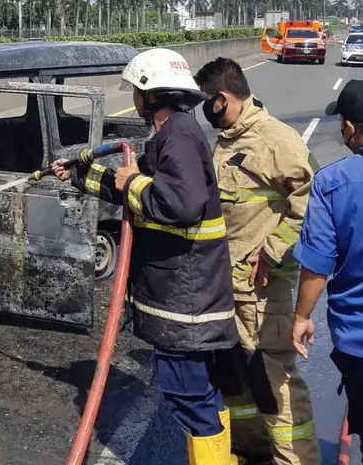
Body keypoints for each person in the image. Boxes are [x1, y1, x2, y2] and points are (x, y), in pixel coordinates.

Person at [53, 48, 238, 464]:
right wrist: (80, 174)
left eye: (137, 90)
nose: (134, 97)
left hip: (184, 299)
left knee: (190, 398)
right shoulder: (174, 132)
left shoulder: (179, 136)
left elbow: (179, 202)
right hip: (185, 292)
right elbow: (138, 188)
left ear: (152, 94)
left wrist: (134, 181)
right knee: (200, 393)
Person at [193, 57, 318, 465]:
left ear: (222, 98)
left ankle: (296, 460)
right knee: (239, 376)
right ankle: (253, 449)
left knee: (274, 380)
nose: (204, 111)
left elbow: (311, 206)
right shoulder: (231, 138)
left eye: (206, 101)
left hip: (263, 288)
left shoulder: (274, 141)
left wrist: (271, 251)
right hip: (231, 285)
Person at [292, 79, 363, 464]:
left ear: (350, 127)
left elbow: (317, 263)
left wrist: (302, 316)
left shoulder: (332, 182)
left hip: (361, 344)